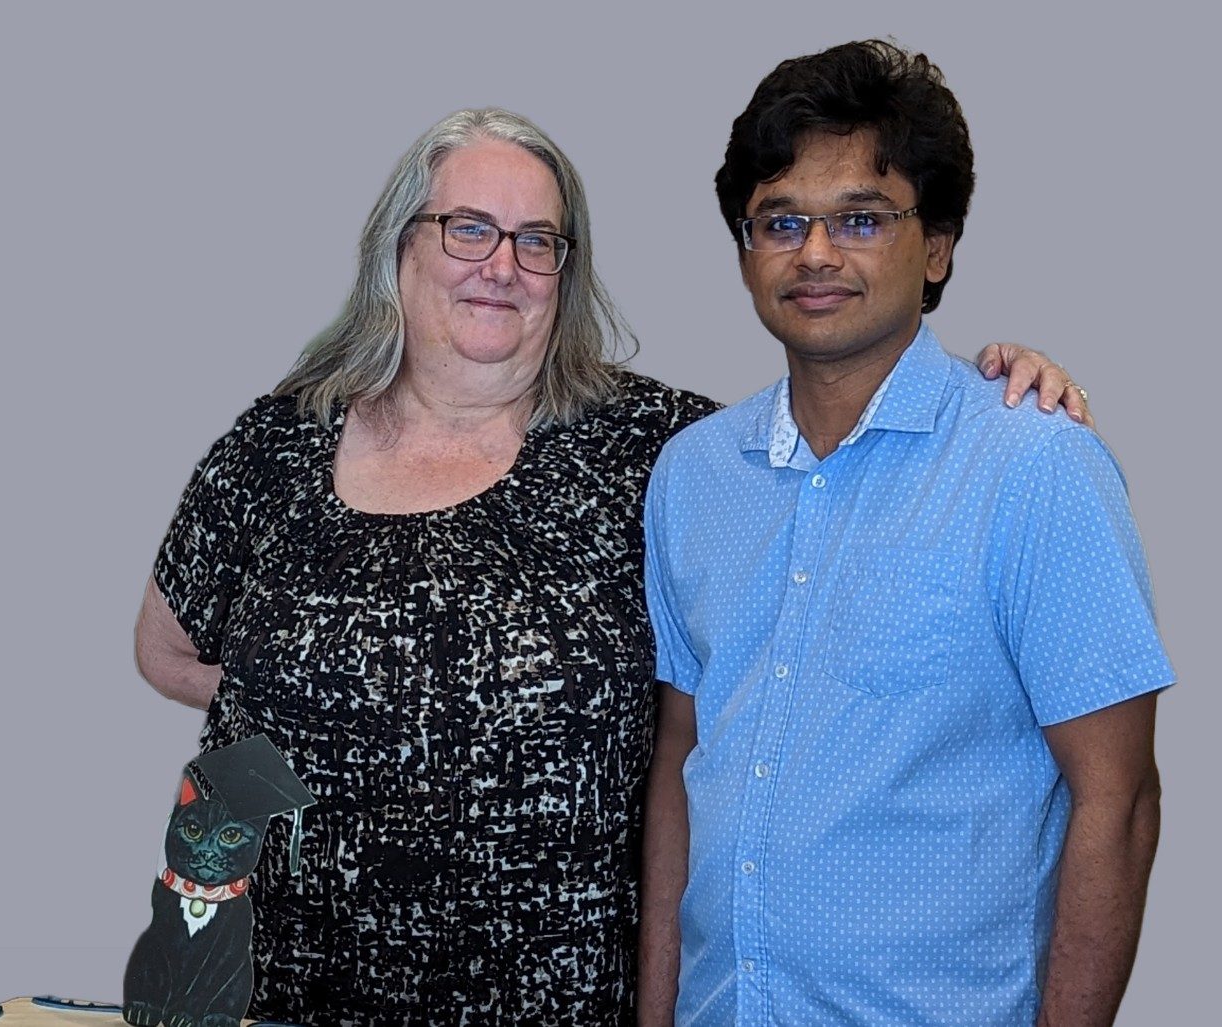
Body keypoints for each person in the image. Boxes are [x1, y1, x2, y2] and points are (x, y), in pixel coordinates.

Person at [135, 107, 1086, 1026]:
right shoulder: (278, 445)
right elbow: (166, 649)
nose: (501, 267)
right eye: (468, 229)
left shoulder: (659, 449)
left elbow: (838, 449)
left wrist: (991, 383)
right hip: (285, 982)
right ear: (398, 246)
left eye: (537, 241)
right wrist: (361, 700)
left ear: (565, 271)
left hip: (563, 990)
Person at [640, 41, 1173, 1027]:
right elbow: (681, 762)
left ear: (935, 247)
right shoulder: (692, 475)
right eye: (780, 220)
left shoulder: (1030, 466)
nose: (813, 253)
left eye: (860, 218)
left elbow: (1120, 800)